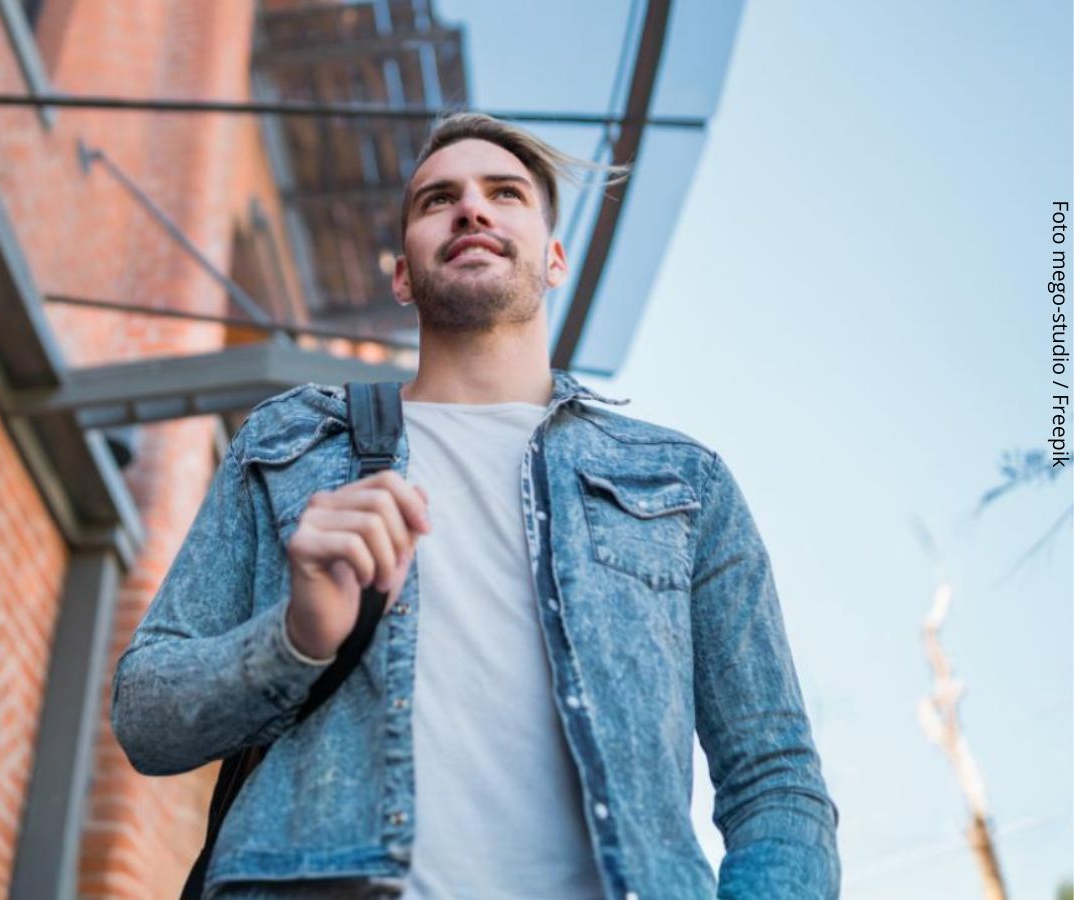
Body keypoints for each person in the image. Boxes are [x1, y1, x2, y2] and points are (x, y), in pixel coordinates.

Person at [111, 113, 841, 900]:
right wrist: (297, 637)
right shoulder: (291, 440)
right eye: (437, 200)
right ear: (402, 275)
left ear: (554, 258)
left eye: (504, 193)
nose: (471, 210)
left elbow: (775, 779)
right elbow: (147, 717)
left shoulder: (681, 480)